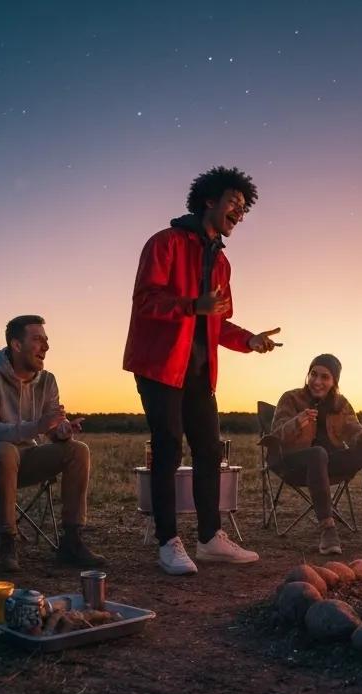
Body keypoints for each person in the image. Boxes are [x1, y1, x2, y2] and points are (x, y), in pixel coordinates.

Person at [124, 165, 280, 575]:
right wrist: (193, 305)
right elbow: (145, 302)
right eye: (234, 202)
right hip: (160, 366)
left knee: (210, 449)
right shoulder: (165, 243)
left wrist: (248, 340)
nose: (239, 213)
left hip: (199, 370)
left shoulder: (223, 264)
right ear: (209, 200)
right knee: (169, 446)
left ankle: (210, 538)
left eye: (244, 209)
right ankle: (167, 542)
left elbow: (217, 322)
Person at [0, 315, 106, 573]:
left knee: (78, 451)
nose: (46, 347)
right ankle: (7, 543)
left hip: (26, 458)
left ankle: (71, 542)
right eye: (38, 339)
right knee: (5, 451)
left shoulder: (47, 381)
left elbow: (50, 429)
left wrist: (62, 431)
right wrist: (38, 426)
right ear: (16, 345)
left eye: (47, 340)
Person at [268, 354, 362, 554]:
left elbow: (353, 430)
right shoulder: (290, 398)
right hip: (293, 463)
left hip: (327, 463)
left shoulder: (341, 404)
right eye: (313, 374)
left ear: (334, 381)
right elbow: (275, 436)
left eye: (325, 377)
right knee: (318, 453)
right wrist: (296, 422)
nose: (317, 381)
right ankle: (327, 528)